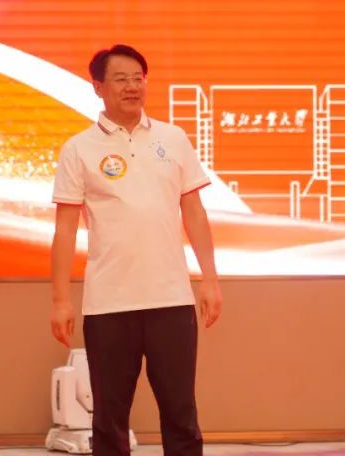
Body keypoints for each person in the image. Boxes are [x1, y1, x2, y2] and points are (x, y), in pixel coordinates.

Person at [49, 44, 222, 456]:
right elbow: (65, 229)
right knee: (109, 419)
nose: (132, 87)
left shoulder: (173, 139)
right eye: (120, 79)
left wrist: (210, 280)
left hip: (171, 300)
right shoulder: (79, 148)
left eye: (138, 78)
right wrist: (60, 300)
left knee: (181, 414)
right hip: (109, 304)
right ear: (98, 87)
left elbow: (194, 213)